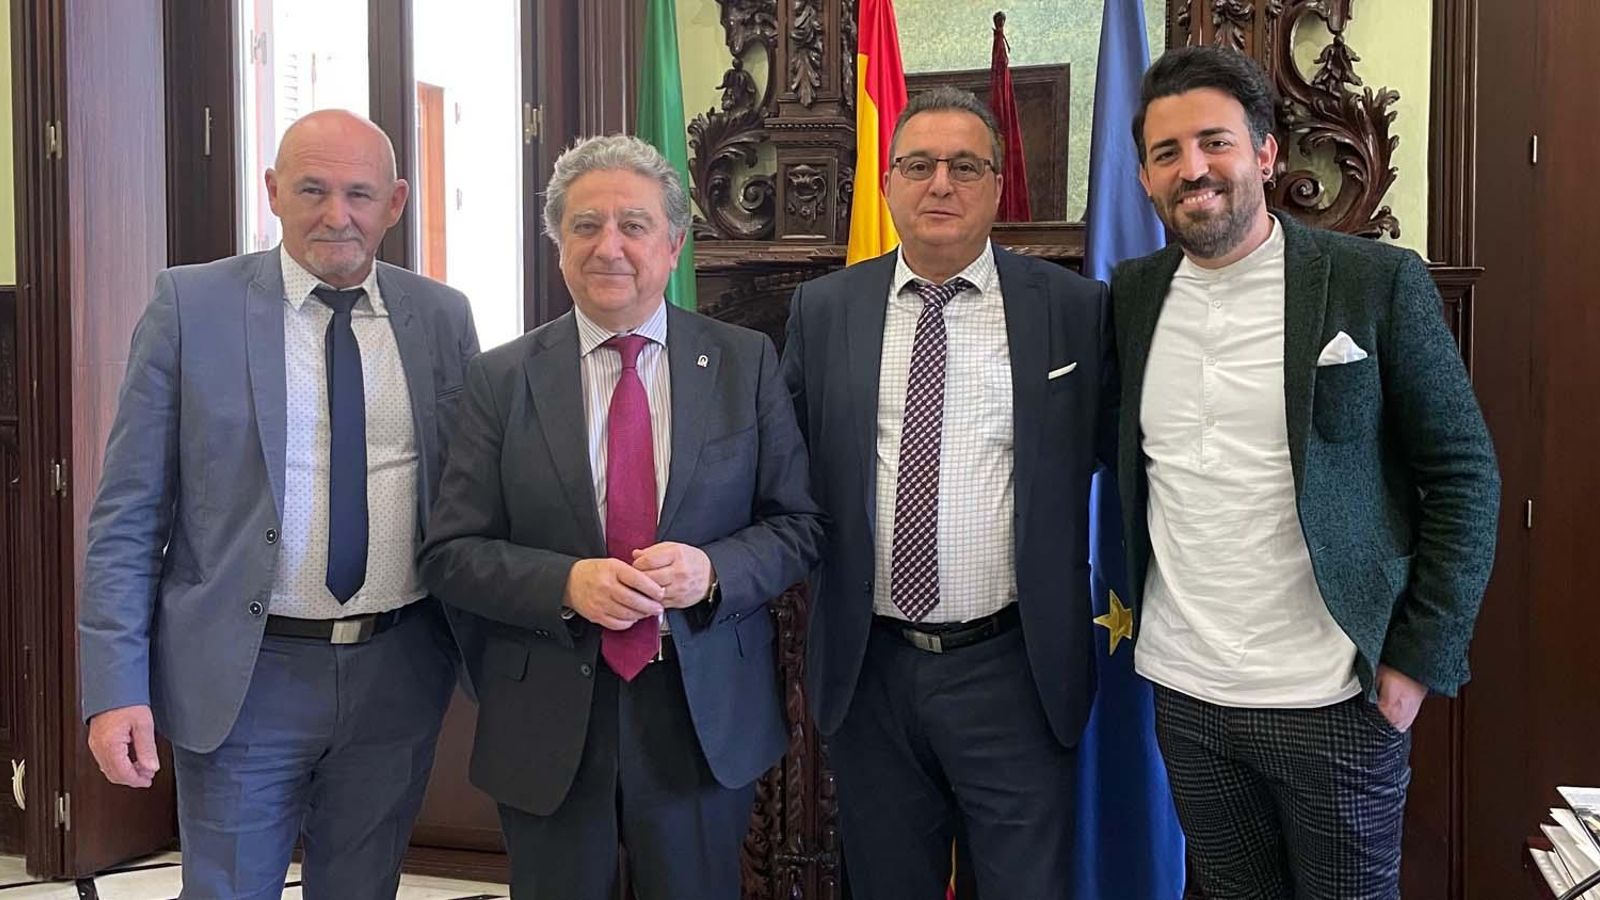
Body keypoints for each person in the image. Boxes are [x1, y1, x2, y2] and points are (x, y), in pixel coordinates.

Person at [1113, 46, 1501, 899]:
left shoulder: (1374, 281)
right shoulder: (1132, 296)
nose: (1193, 169)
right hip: (1186, 693)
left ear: (1264, 153)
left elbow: (1466, 475)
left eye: (1214, 142)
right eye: (1166, 153)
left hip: (1337, 697)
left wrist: (1416, 663)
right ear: (1143, 177)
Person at [79, 109, 480, 899]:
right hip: (244, 674)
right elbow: (127, 515)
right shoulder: (191, 307)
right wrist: (113, 686)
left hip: (397, 666)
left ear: (395, 202)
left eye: (360, 194)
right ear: (272, 192)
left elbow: (472, 491)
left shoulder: (441, 316)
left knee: (363, 888)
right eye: (312, 190)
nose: (338, 215)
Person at [418, 134, 823, 900]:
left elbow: (798, 526)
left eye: (633, 225)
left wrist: (713, 570)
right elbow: (450, 553)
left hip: (697, 709)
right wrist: (564, 582)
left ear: (674, 243)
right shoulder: (500, 379)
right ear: (558, 246)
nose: (610, 247)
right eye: (585, 226)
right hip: (547, 716)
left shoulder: (745, 363)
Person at [780, 86, 1117, 898]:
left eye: (965, 166)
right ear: (888, 182)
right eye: (920, 165)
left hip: (1016, 669)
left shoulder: (1074, 309)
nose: (942, 184)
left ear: (998, 184)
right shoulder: (825, 309)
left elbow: (1126, 457)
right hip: (873, 670)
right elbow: (781, 469)